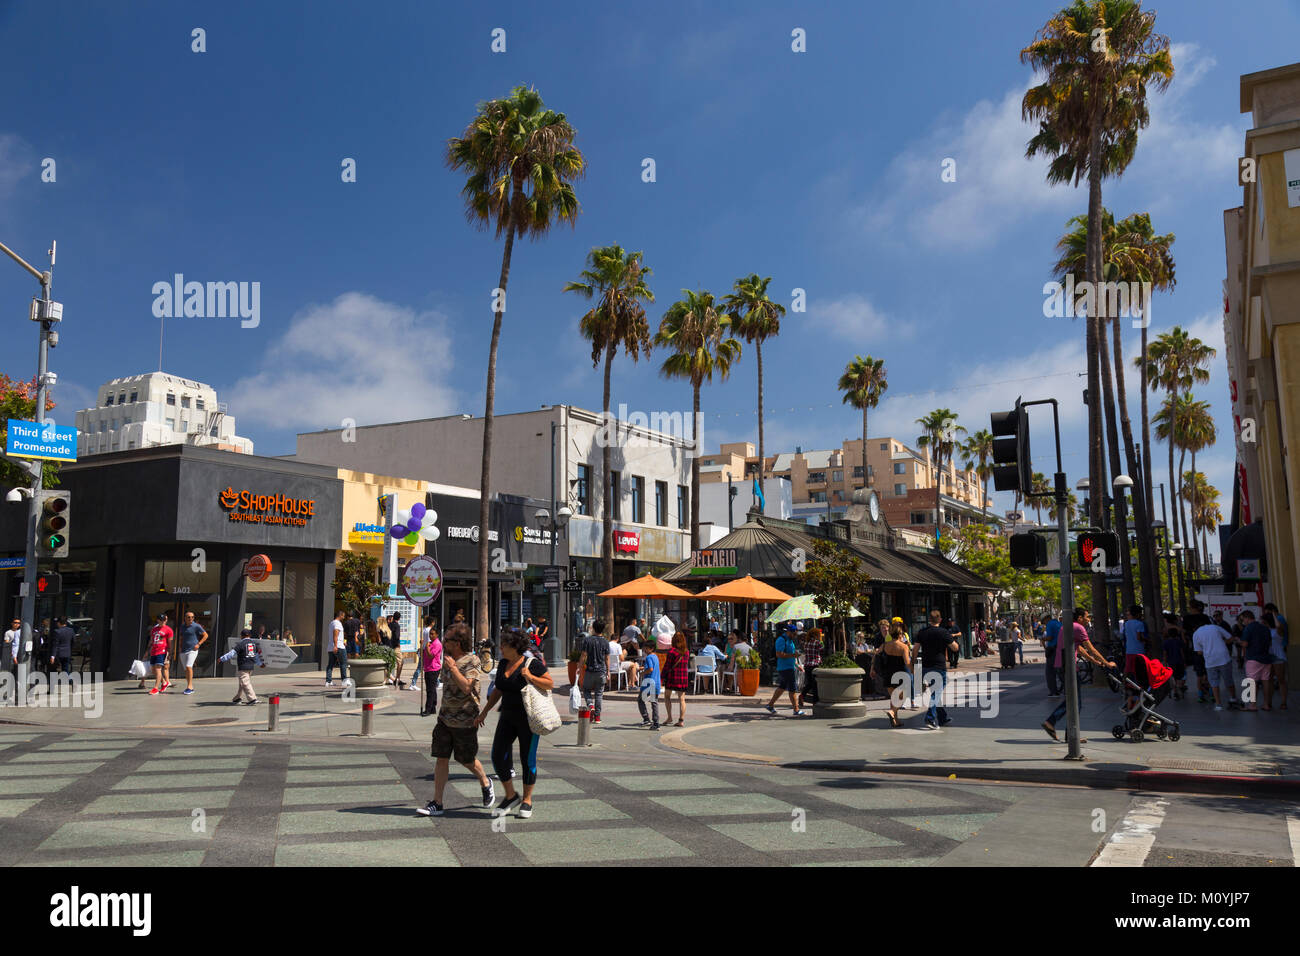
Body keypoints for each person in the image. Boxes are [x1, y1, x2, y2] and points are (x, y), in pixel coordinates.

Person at [416, 624, 494, 816]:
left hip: (465, 720)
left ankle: (485, 782)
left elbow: (467, 687)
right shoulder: (448, 659)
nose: (443, 642)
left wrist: (453, 668)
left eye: (447, 640)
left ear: (457, 643)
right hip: (445, 718)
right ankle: (437, 803)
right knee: (441, 758)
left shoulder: (473, 661)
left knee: (466, 759)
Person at [476, 628, 553, 819]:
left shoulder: (531, 664)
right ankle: (511, 796)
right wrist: (484, 712)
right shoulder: (503, 663)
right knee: (497, 755)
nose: (501, 648)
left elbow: (549, 683)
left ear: (515, 646)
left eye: (504, 645)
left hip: (528, 719)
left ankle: (527, 800)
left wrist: (531, 677)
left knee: (528, 759)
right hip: (507, 717)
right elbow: (498, 690)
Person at [1041, 608, 1116, 741]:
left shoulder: (1068, 627)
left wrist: (1094, 661)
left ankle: (1069, 734)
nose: (1089, 619)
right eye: (1087, 617)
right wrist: (1107, 663)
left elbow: (1078, 648)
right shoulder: (1079, 628)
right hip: (1068, 667)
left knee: (1072, 700)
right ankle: (1052, 722)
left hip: (1062, 666)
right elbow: (1091, 649)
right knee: (1075, 702)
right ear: (1080, 618)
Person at [916, 610, 960, 730]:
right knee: (936, 693)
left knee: (936, 693)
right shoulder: (943, 632)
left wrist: (913, 665)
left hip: (925, 666)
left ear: (929, 620)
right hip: (938, 667)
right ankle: (930, 718)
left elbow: (915, 649)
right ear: (940, 620)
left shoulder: (922, 632)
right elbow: (955, 648)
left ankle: (942, 718)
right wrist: (954, 642)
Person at [871, 619, 912, 727]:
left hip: (888, 674)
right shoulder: (903, 646)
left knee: (894, 698)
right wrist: (914, 670)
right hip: (900, 675)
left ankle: (895, 720)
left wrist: (872, 669)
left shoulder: (885, 645)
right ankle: (892, 712)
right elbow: (907, 662)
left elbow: (876, 654)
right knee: (902, 697)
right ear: (900, 634)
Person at [1191, 613, 1236, 710]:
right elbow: (1230, 638)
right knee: (1228, 680)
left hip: (1210, 661)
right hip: (1224, 658)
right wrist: (1222, 642)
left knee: (1214, 683)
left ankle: (1218, 704)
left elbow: (1199, 652)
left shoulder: (1196, 634)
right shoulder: (1216, 627)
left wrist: (1207, 648)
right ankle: (1233, 698)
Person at [1237, 609, 1274, 712]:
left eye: (1243, 619)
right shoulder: (1265, 628)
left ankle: (1252, 705)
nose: (1242, 622)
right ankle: (1266, 704)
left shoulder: (1248, 628)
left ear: (1247, 618)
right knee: (1265, 681)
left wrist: (1238, 641)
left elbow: (1245, 644)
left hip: (1253, 658)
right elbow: (1270, 643)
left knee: (1251, 682)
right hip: (1266, 658)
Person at [764, 623, 805, 717]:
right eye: (794, 634)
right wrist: (793, 655)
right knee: (792, 688)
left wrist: (796, 665)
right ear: (789, 632)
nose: (795, 636)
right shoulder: (781, 640)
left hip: (789, 667)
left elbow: (791, 655)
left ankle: (770, 705)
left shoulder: (790, 641)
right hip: (785, 668)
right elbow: (779, 654)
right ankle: (796, 709)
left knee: (782, 687)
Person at [575, 618, 610, 723]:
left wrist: (579, 667)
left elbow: (583, 655)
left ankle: (590, 705)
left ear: (593, 628)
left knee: (586, 690)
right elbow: (607, 658)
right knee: (599, 694)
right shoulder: (605, 642)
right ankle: (597, 717)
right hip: (601, 672)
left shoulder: (588, 640)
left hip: (590, 671)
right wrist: (608, 671)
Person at [218, 627, 265, 704]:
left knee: (245, 683)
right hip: (250, 667)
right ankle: (237, 698)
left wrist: (222, 658)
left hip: (243, 666)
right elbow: (256, 656)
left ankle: (252, 699)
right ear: (250, 635)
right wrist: (260, 664)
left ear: (241, 636)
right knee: (242, 683)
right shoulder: (253, 644)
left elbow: (232, 653)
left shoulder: (241, 644)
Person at [662, 630, 690, 726]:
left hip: (672, 677)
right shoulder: (686, 652)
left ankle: (669, 717)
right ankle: (681, 720)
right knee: (682, 699)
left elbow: (667, 666)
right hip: (683, 677)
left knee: (667, 696)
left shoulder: (672, 651)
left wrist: (662, 677)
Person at [1263, 609, 1288, 710]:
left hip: (1278, 656)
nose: (1263, 623)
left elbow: (1278, 625)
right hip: (1268, 657)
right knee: (1269, 680)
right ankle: (1269, 702)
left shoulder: (1278, 631)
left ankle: (1284, 702)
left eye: (1264, 621)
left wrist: (1273, 615)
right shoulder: (1265, 630)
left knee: (1281, 680)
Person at [419, 623, 443, 716]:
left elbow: (430, 656)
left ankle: (428, 709)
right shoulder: (431, 643)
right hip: (428, 668)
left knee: (430, 690)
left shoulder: (437, 644)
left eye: (432, 634)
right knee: (432, 689)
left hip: (433, 669)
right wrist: (422, 646)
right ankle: (433, 707)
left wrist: (427, 647)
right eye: (430, 634)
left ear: (437, 634)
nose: (430, 636)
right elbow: (424, 654)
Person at [147, 613, 173, 695]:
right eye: (161, 620)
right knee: (153, 670)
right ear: (158, 620)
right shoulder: (154, 629)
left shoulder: (168, 630)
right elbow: (151, 640)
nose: (163, 621)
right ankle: (164, 682)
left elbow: (170, 642)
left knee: (158, 669)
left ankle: (155, 688)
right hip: (154, 651)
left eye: (164, 620)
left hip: (162, 651)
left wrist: (170, 653)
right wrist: (147, 651)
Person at [637, 638, 661, 729]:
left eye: (646, 648)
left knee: (640, 700)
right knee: (654, 702)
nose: (644, 650)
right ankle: (656, 722)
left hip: (648, 683)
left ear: (651, 648)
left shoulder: (648, 657)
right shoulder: (655, 657)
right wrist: (643, 668)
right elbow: (652, 667)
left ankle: (646, 718)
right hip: (656, 683)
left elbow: (650, 669)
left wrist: (642, 673)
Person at [797, 624, 823, 709]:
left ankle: (802, 695)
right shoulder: (818, 643)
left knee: (810, 683)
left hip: (807, 665)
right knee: (815, 684)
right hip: (815, 665)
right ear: (816, 635)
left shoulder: (806, 643)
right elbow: (822, 650)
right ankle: (815, 702)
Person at [1162, 620, 1188, 700]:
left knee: (1173, 677)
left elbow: (1165, 654)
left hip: (1171, 663)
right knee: (1181, 676)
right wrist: (1184, 661)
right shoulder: (1178, 641)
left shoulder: (1165, 642)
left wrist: (1165, 663)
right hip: (1179, 662)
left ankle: (1175, 692)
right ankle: (1180, 687)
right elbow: (1181, 652)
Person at [325, 609, 348, 687]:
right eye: (343, 616)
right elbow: (335, 633)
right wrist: (335, 645)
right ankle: (344, 681)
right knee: (343, 663)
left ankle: (328, 681)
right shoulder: (337, 623)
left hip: (331, 647)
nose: (344, 617)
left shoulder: (332, 623)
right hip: (338, 647)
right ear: (340, 615)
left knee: (330, 664)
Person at [1042, 614, 1062, 696]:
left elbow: (1050, 637)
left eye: (1043, 621)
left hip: (1053, 649)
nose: (1044, 623)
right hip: (1060, 648)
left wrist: (1043, 639)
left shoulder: (1050, 624)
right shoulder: (1058, 623)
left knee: (1050, 671)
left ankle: (1053, 691)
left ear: (1046, 619)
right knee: (1060, 669)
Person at [388, 613, 405, 687]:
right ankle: (397, 679)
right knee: (400, 662)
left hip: (389, 646)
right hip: (395, 647)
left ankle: (392, 678)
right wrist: (398, 644)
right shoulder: (397, 625)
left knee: (390, 663)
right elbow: (397, 636)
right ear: (399, 618)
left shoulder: (389, 625)